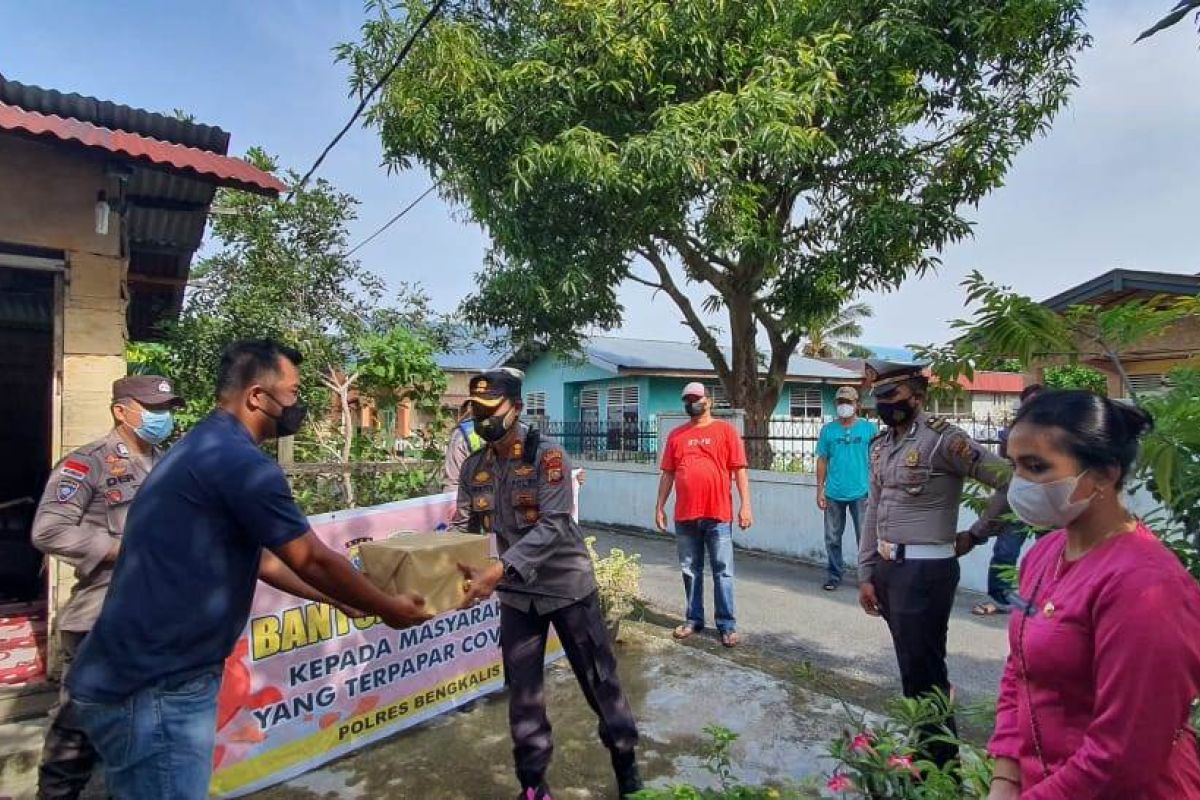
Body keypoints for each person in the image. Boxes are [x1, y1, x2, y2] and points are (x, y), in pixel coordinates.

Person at [64, 340, 432, 800]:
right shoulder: (238, 464)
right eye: (294, 394)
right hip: (156, 687)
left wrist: (339, 599)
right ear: (257, 396)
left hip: (143, 677)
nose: (299, 406)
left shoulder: (204, 445)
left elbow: (264, 558)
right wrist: (388, 607)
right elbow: (310, 557)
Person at [988, 390, 1200, 800]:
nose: (1020, 483)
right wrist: (1005, 780)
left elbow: (1124, 757)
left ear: (1104, 474)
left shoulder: (1146, 587)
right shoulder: (1044, 554)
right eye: (1014, 465)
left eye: (1037, 467)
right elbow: (1020, 670)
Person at [454, 369, 642, 800]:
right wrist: (433, 563)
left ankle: (626, 764)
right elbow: (461, 525)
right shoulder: (474, 467)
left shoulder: (548, 457)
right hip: (519, 598)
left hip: (566, 587)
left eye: (489, 411)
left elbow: (555, 524)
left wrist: (497, 571)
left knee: (600, 681)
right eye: (475, 413)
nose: (482, 421)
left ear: (516, 409)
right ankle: (534, 783)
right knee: (523, 694)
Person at [30, 375, 181, 800]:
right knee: (78, 724)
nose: (162, 417)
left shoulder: (168, 462)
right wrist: (123, 549)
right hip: (104, 612)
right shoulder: (87, 463)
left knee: (146, 728)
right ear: (121, 411)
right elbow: (49, 531)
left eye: (167, 408)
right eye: (153, 409)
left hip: (159, 615)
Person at [857, 360, 1010, 767]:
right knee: (913, 671)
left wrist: (976, 534)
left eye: (893, 397)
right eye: (879, 399)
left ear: (917, 397)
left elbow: (1009, 480)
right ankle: (927, 759)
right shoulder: (881, 445)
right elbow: (874, 509)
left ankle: (942, 770)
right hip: (890, 571)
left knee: (925, 675)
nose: (884, 406)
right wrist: (866, 573)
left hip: (925, 573)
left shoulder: (944, 441)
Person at [654, 382, 752, 648]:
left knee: (723, 571)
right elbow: (668, 473)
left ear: (708, 400)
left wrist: (745, 505)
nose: (691, 403)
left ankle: (727, 625)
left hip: (718, 514)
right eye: (687, 399)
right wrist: (659, 506)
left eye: (696, 398)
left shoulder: (726, 431)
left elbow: (740, 470)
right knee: (690, 570)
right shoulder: (676, 435)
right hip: (685, 515)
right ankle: (693, 619)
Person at [973, 384, 1044, 616]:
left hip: (1050, 503)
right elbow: (1007, 456)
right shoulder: (1015, 430)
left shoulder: (1059, 431)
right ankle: (999, 597)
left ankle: (1050, 598)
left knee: (1050, 552)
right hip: (1019, 500)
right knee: (1005, 550)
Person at [816, 385, 876, 591]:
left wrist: (876, 490)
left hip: (862, 493)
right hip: (834, 493)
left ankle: (866, 578)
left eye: (848, 402)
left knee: (865, 539)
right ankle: (834, 574)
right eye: (840, 402)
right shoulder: (828, 430)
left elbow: (878, 460)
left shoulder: (869, 429)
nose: (844, 406)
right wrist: (820, 489)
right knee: (832, 537)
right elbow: (822, 460)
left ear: (857, 405)